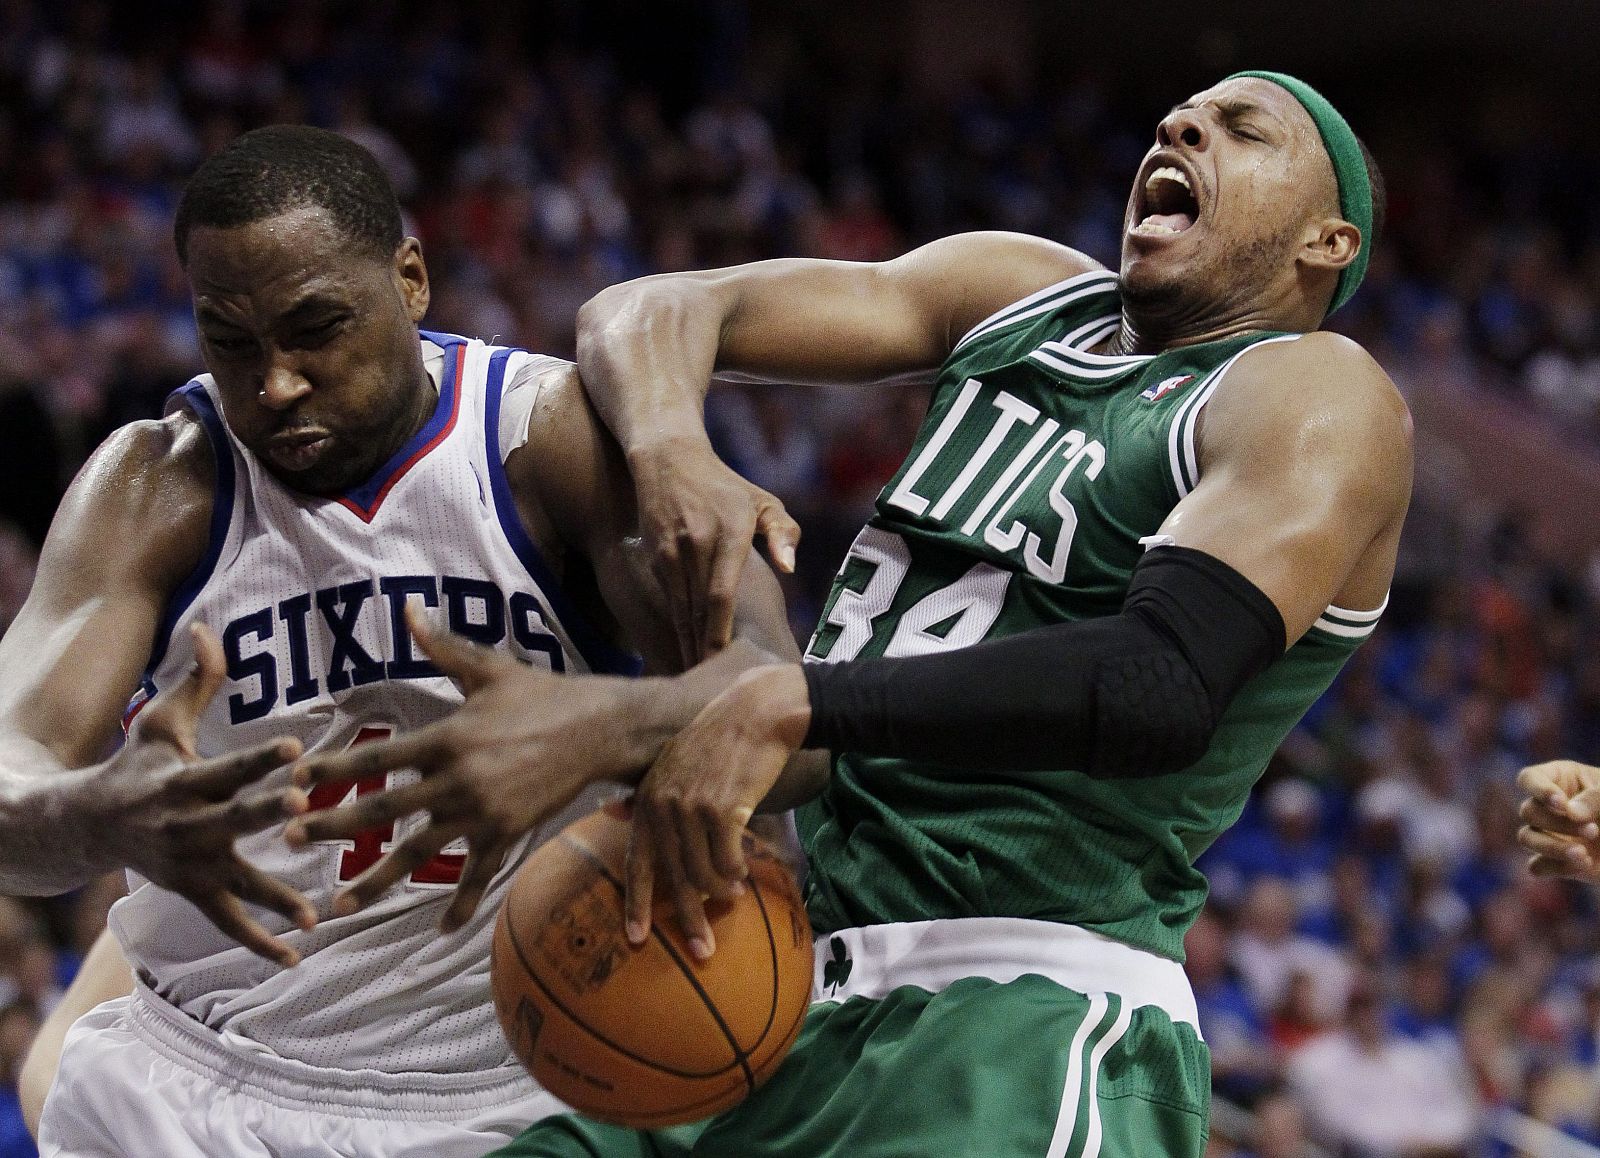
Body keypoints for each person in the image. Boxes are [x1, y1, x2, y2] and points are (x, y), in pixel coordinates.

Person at [305, 71, 1408, 1158]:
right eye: (1180, 114)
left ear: (1327, 243)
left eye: (1240, 128)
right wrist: (675, 452)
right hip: (767, 977)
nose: (1180, 124)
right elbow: (653, 309)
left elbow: (1157, 683)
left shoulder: (1311, 391)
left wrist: (792, 702)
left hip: (1014, 1012)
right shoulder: (1020, 294)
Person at [20, 124, 809, 1157]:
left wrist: (603, 727)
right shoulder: (157, 484)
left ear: (410, 278)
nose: (277, 385)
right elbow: (11, 765)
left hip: (508, 1085)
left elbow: (799, 721)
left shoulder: (551, 439)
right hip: (191, 1079)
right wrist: (95, 816)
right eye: (231, 342)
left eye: (315, 328)